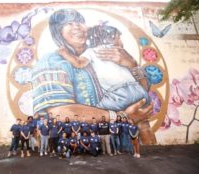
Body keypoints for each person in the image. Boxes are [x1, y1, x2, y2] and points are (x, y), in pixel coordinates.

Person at [31, 8, 154, 144]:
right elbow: (60, 112)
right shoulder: (52, 62)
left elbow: (142, 92)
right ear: (58, 32)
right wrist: (122, 116)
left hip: (124, 147)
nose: (77, 26)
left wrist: (132, 65)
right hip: (80, 145)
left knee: (144, 127)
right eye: (69, 23)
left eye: (80, 22)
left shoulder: (104, 52)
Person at [58, 24, 150, 111]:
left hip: (118, 94)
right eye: (118, 38)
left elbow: (79, 63)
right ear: (112, 38)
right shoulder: (120, 51)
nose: (120, 42)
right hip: (139, 91)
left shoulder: (91, 52)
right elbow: (145, 85)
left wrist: (65, 53)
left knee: (97, 110)